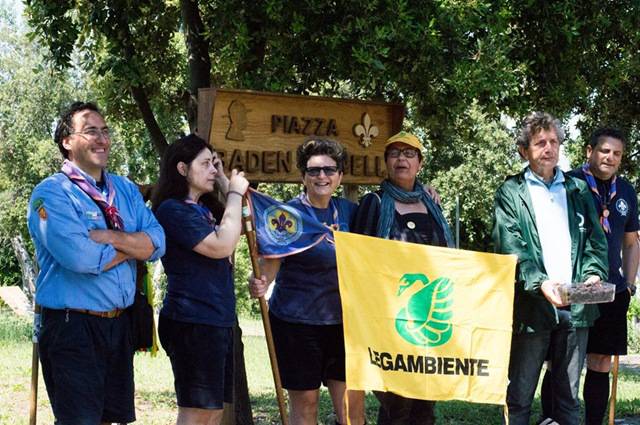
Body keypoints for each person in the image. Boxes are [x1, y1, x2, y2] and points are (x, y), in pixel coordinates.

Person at [26, 101, 166, 425]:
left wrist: (110, 237)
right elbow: (82, 257)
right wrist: (135, 244)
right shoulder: (51, 194)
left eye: (105, 131)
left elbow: (158, 241)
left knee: (111, 420)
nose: (102, 139)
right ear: (66, 141)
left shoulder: (127, 190)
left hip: (119, 324)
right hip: (72, 326)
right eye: (91, 131)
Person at [492, 112, 608, 425]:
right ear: (523, 150)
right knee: (519, 397)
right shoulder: (510, 192)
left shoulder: (577, 190)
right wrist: (540, 283)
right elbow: (510, 247)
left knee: (568, 399)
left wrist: (593, 274)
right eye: (540, 142)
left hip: (576, 305)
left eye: (554, 142)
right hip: (532, 306)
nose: (549, 148)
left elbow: (597, 243)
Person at [248, 138, 364, 425]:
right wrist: (259, 281)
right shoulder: (287, 216)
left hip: (345, 324)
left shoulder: (353, 212)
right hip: (295, 324)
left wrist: (425, 193)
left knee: (352, 410)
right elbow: (269, 266)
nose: (322, 176)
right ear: (303, 176)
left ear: (340, 175)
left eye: (329, 170)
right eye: (313, 171)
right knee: (307, 405)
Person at [351, 131, 455, 425]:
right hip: (390, 321)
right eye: (395, 153)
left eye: (409, 154)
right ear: (386, 162)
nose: (401, 159)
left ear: (420, 164)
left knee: (424, 404)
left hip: (430, 323)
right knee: (396, 403)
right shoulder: (373, 204)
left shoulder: (433, 204)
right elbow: (360, 261)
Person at [152, 134, 249, 425]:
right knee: (196, 412)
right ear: (182, 169)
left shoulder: (204, 208)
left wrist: (223, 182)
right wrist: (233, 193)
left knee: (214, 411)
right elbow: (222, 246)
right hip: (191, 320)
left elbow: (247, 224)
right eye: (205, 164)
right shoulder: (173, 209)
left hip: (216, 319)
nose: (212, 169)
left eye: (214, 164)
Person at [566, 128, 637, 425]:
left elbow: (632, 242)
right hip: (574, 288)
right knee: (564, 363)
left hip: (612, 291)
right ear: (589, 151)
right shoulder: (568, 183)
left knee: (601, 362)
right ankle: (553, 418)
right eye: (604, 151)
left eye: (617, 153)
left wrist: (630, 285)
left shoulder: (626, 191)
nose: (610, 157)